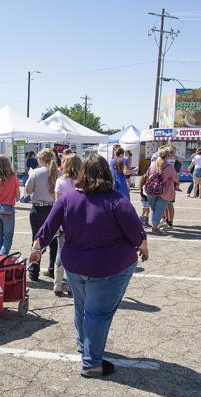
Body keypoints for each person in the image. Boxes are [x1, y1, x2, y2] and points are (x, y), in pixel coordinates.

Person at [29, 153, 148, 377]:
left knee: (82, 307)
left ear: (83, 174)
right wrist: (144, 249)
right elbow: (137, 236)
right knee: (97, 314)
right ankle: (92, 363)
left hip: (75, 265)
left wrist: (36, 249)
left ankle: (84, 345)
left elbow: (48, 227)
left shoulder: (68, 198)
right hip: (109, 268)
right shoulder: (117, 200)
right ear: (107, 175)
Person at [26, 148, 58, 281]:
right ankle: (52, 269)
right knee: (54, 240)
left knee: (36, 239)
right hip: (53, 209)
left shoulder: (36, 172)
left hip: (38, 209)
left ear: (41, 159)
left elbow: (28, 190)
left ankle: (34, 271)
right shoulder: (58, 173)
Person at [53, 154, 82, 296]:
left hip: (64, 220)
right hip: (79, 221)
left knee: (60, 250)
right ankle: (71, 285)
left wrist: (57, 223)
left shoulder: (60, 181)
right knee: (75, 253)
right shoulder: (81, 181)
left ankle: (57, 284)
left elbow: (57, 204)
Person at [0, 155, 20, 255]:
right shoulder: (13, 177)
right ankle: (1, 259)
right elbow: (18, 196)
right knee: (7, 239)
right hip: (8, 209)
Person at [145, 145, 178, 235]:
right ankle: (155, 227)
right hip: (165, 191)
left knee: (154, 209)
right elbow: (176, 179)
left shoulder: (152, 164)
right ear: (167, 156)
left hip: (151, 189)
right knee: (159, 209)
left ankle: (154, 225)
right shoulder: (170, 167)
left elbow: (147, 175)